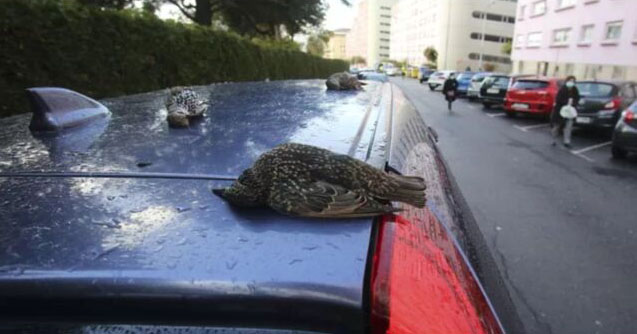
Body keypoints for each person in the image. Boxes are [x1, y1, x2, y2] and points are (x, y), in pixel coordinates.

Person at [551, 75, 580, 148]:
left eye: (573, 81)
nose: (571, 83)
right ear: (567, 81)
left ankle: (567, 141)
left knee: (568, 126)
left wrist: (573, 104)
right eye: (570, 81)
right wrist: (566, 103)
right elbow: (558, 99)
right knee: (557, 126)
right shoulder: (562, 89)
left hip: (570, 111)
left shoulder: (575, 90)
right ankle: (554, 139)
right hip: (560, 111)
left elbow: (577, 98)